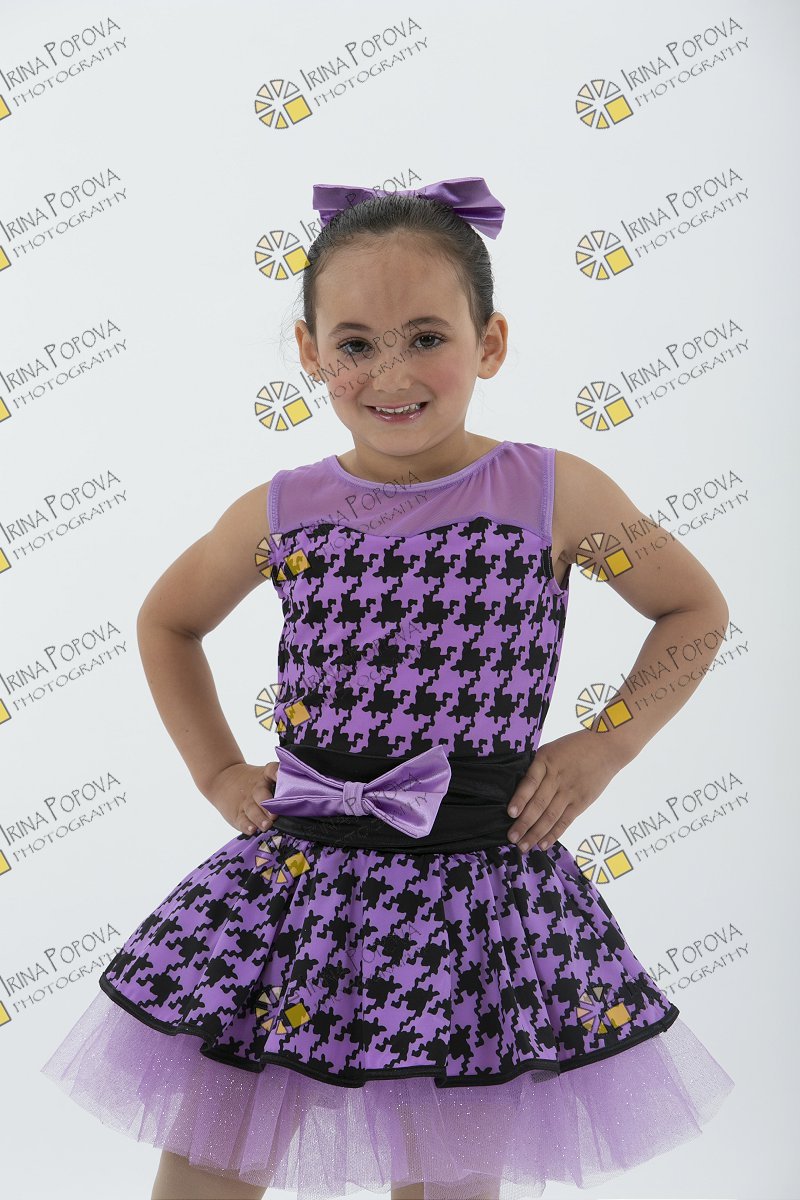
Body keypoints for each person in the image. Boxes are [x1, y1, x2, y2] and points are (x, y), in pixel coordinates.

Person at [40, 177, 735, 1200]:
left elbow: (691, 610)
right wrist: (219, 771)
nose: (390, 373)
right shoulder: (284, 508)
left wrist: (605, 743)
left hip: (476, 892)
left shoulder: (554, 494)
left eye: (426, 338)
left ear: (490, 343)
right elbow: (168, 622)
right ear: (310, 352)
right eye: (356, 344)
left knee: (448, 1174)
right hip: (297, 890)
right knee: (210, 1164)